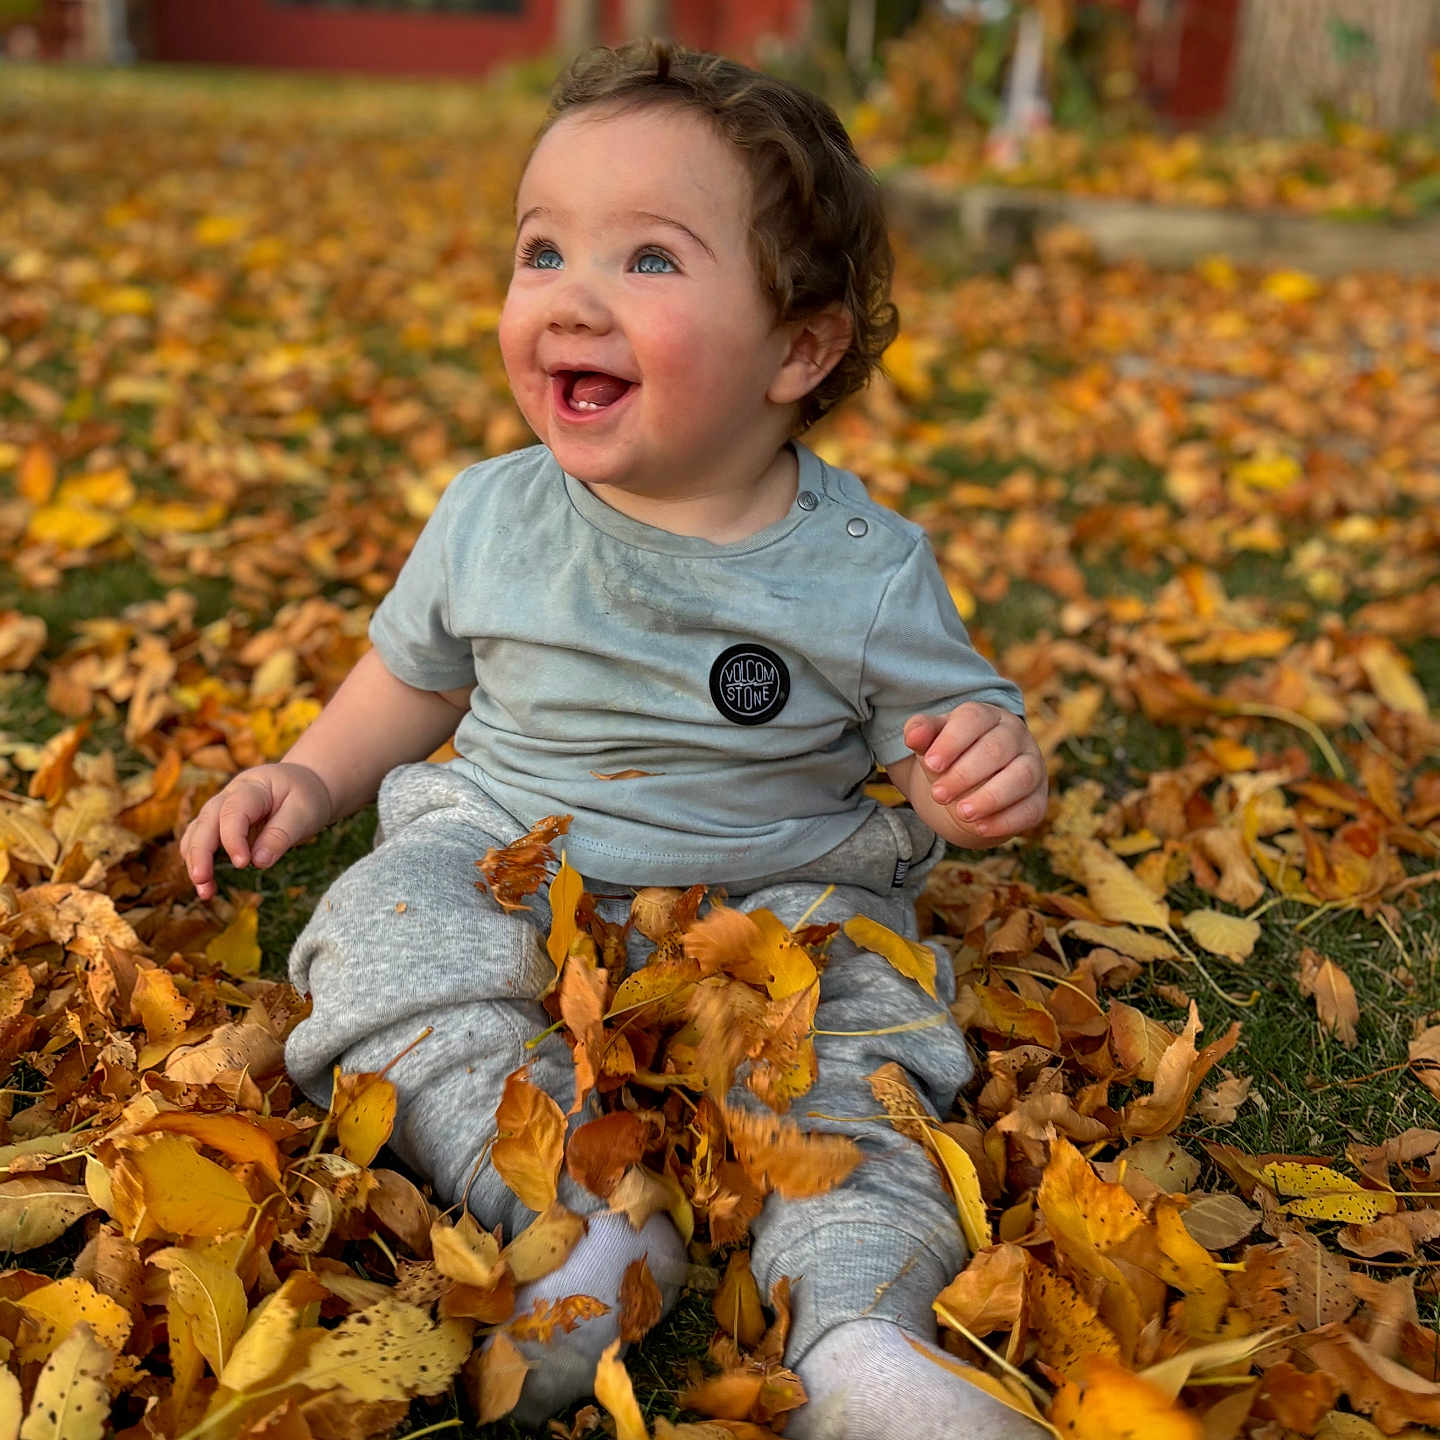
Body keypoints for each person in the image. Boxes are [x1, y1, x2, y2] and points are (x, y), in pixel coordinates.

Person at [181, 39, 1047, 1440]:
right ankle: (584, 1218)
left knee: (864, 1073)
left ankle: (861, 1341)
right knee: (383, 938)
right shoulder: (491, 514)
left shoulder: (861, 568)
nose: (572, 298)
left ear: (800, 346)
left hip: (777, 901)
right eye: (542, 253)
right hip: (517, 855)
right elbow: (410, 681)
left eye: (648, 259)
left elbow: (949, 739)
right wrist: (308, 774)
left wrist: (981, 774)